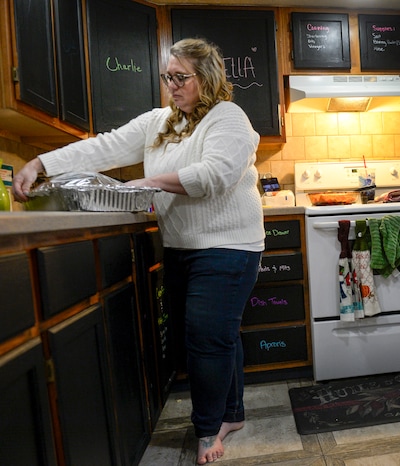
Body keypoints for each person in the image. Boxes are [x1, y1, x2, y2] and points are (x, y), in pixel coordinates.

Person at [13, 38, 264, 464]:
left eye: (180, 77)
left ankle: (207, 431)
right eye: (167, 77)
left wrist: (149, 183)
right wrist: (41, 163)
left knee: (207, 337)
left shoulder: (228, 118)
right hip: (181, 245)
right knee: (218, 334)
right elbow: (103, 147)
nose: (172, 85)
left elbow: (215, 175)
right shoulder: (160, 122)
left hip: (229, 247)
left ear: (207, 77)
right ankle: (232, 413)